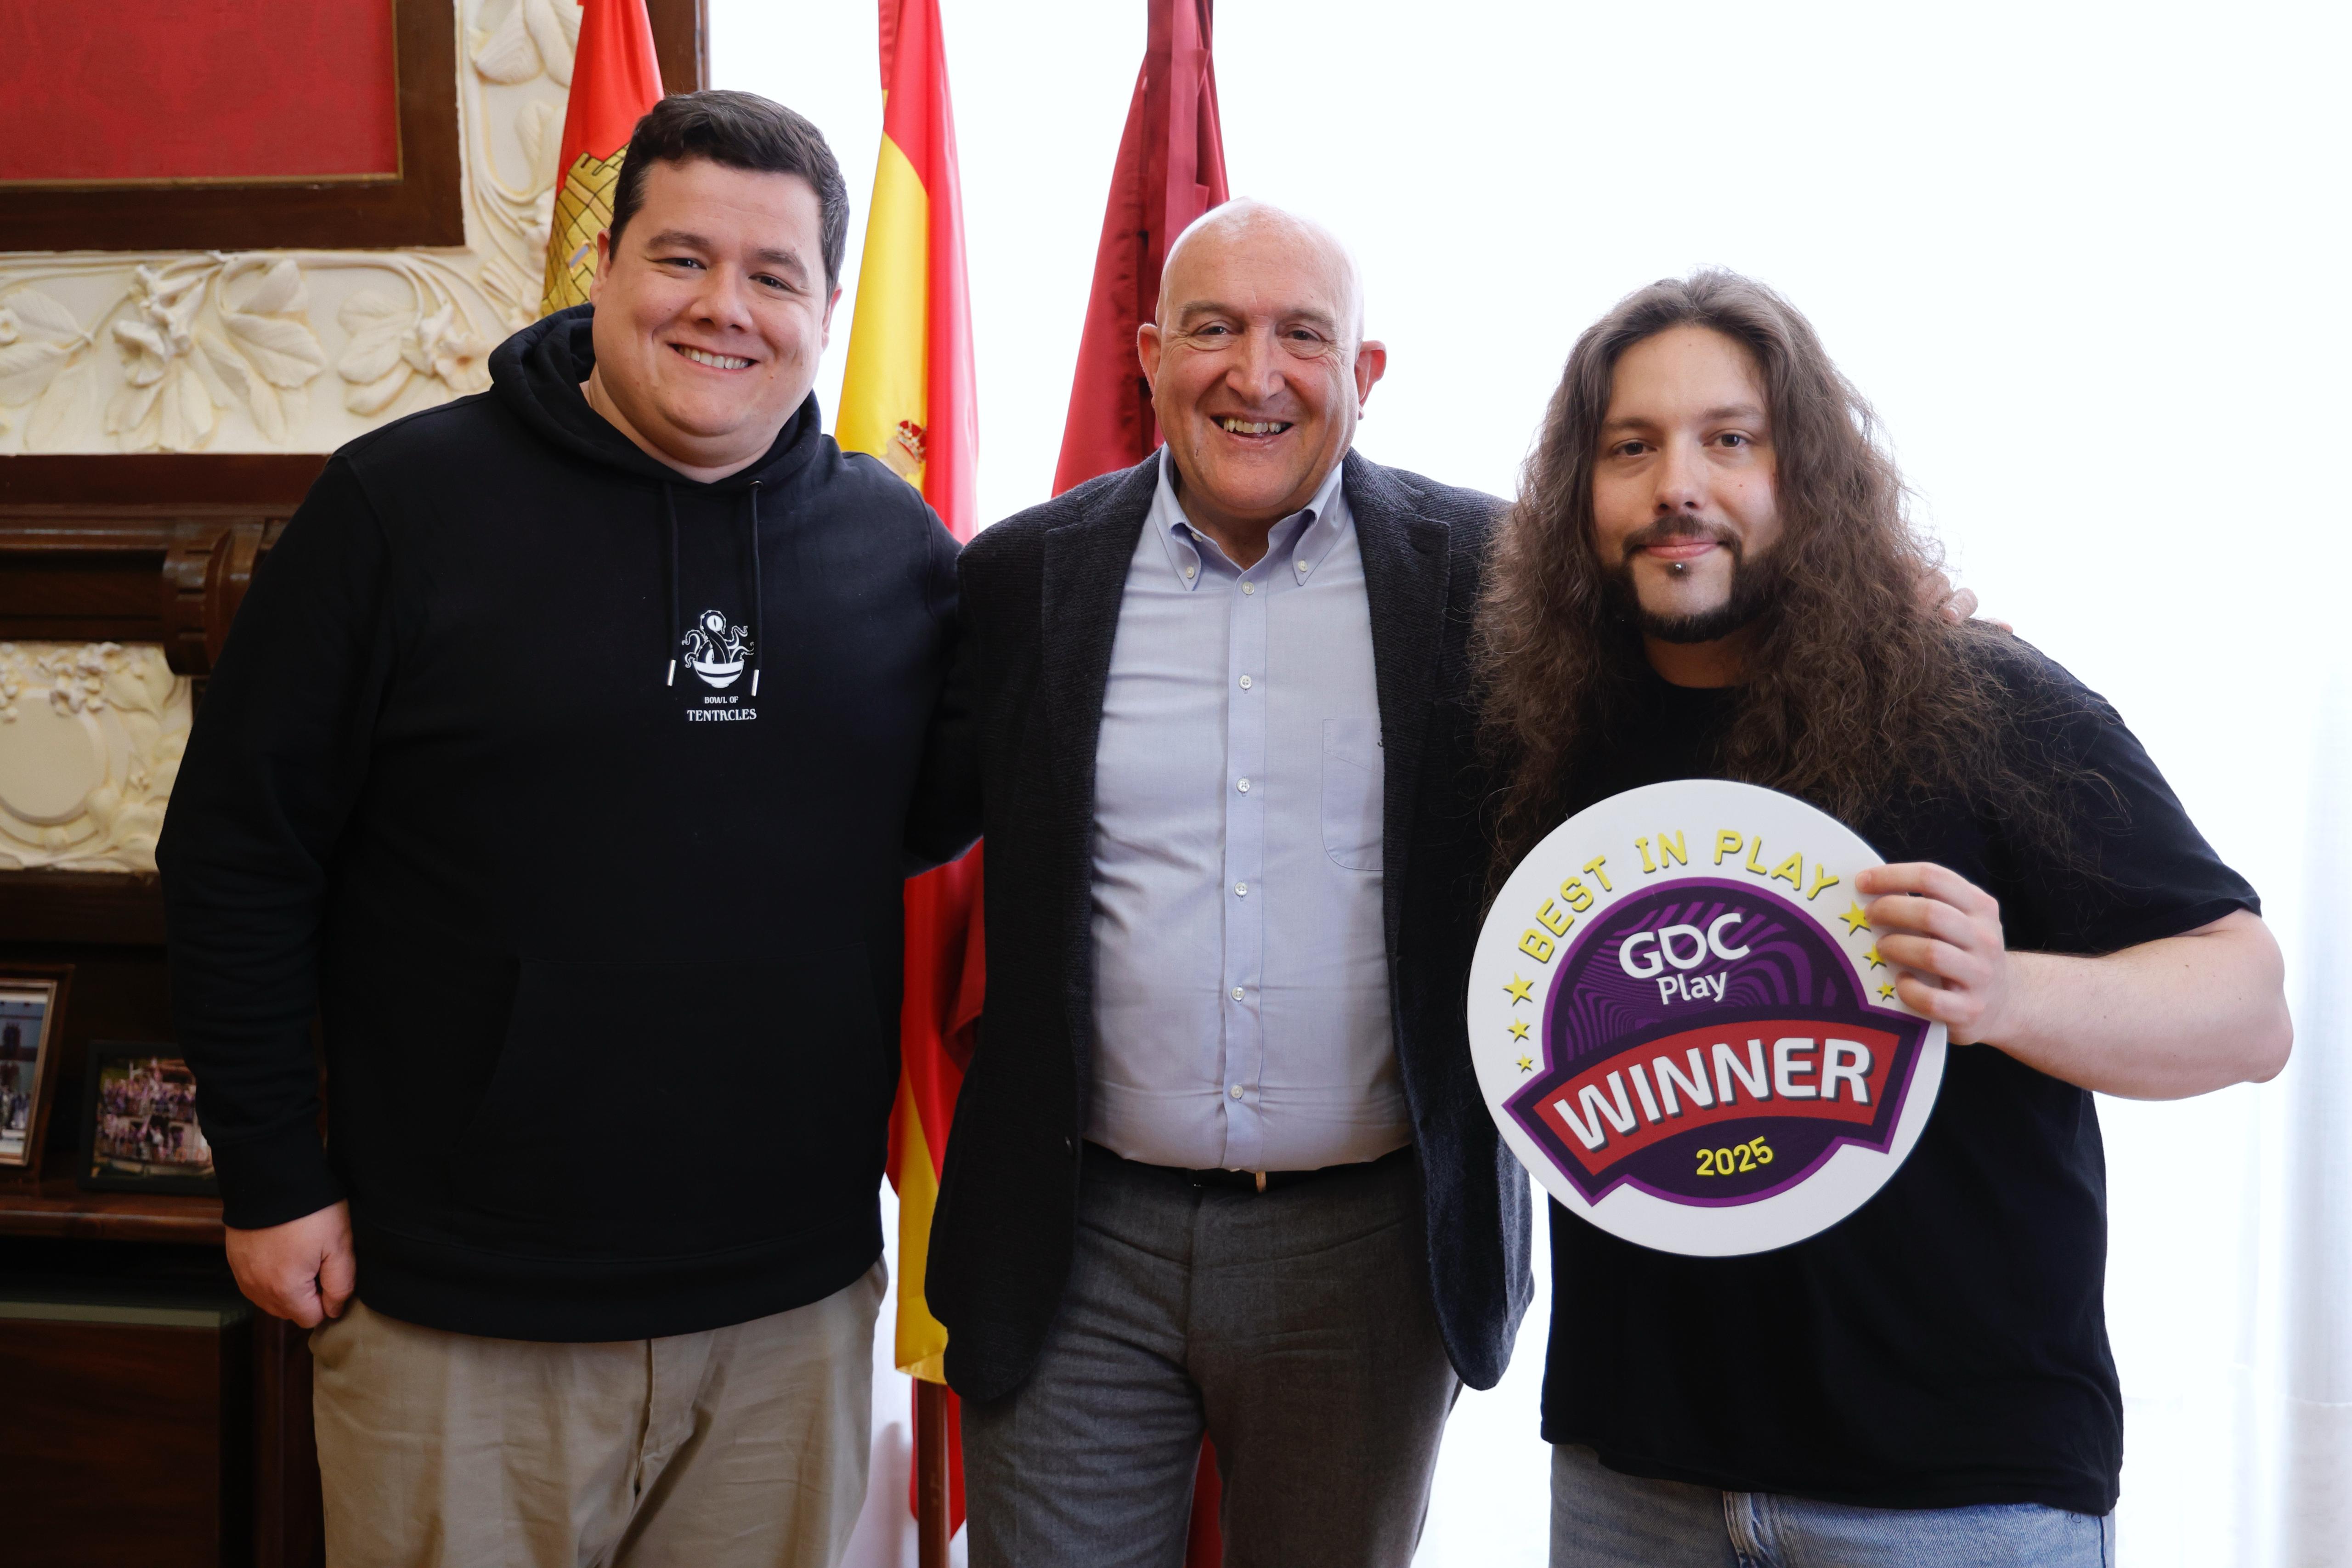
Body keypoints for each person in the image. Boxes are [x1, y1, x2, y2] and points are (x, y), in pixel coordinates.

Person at [157, 90, 975, 1568]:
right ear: (603, 265)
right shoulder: (397, 510)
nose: (724, 307)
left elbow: (914, 828)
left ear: (828, 307)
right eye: (682, 258)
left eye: (774, 274)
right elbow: (238, 855)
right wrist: (271, 1175)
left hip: (788, 1311)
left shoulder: (898, 550)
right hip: (461, 1312)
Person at [1471, 270, 2291, 1567]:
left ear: (1811, 476)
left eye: (1730, 439)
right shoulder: (1549, 734)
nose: (1678, 484)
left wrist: (2009, 993)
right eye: (1631, 448)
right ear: (1577, 495)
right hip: (1639, 1483)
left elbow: (2249, 1010)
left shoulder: (1980, 698)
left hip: (1959, 1499)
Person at [926, 200, 1530, 1568]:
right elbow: (888, 792)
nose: (1257, 375)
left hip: (1369, 1253)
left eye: (1302, 336)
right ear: (1151, 356)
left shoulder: (1491, 576)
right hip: (1073, 1242)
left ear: (1365, 373)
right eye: (1215, 329)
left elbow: (1665, 741)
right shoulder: (1021, 577)